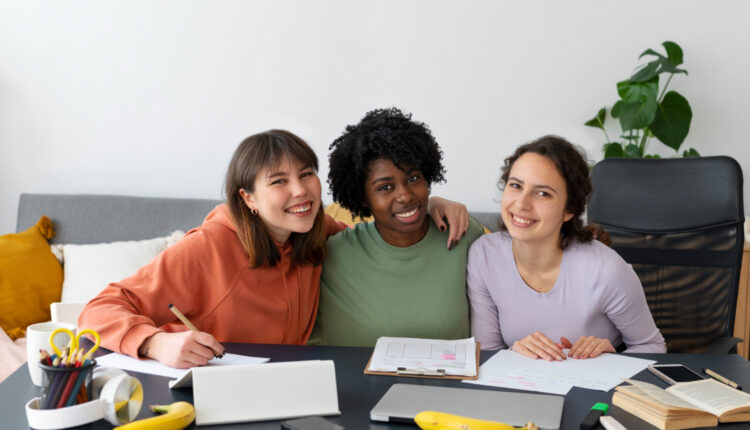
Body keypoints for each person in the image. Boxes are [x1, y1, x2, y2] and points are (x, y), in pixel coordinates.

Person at [79, 130, 467, 368]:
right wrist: (156, 342)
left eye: (306, 174)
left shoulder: (317, 232)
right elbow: (99, 309)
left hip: (295, 391)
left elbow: (378, 231)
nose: (300, 191)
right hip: (215, 393)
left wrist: (426, 205)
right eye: (279, 181)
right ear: (248, 198)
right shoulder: (208, 247)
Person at [467, 135, 666, 360]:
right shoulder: (484, 256)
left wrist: (612, 359)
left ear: (569, 210)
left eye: (543, 193)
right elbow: (487, 355)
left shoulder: (606, 270)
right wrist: (514, 353)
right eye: (516, 185)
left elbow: (652, 347)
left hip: (593, 389)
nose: (521, 203)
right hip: (521, 388)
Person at [311, 108, 485, 347]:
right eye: (385, 187)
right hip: (354, 382)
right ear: (363, 198)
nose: (405, 196)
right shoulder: (332, 254)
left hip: (449, 382)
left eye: (413, 179)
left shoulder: (463, 234)